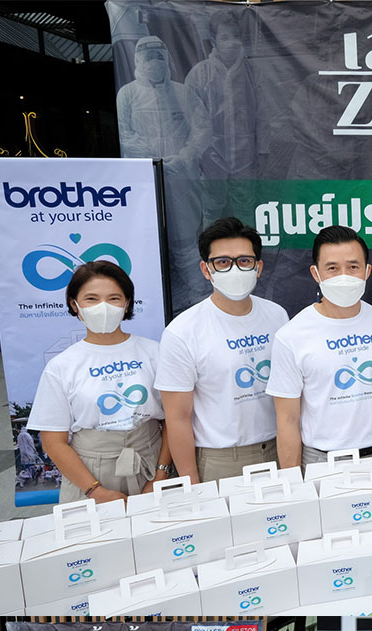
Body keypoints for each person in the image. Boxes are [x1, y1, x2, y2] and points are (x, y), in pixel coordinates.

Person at [156, 217, 288, 484]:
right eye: (223, 262)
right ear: (206, 270)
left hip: (278, 449)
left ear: (258, 267)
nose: (235, 269)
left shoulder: (277, 316)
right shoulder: (182, 332)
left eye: (245, 261)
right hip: (220, 461)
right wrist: (191, 483)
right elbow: (177, 417)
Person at [266, 226, 372, 472]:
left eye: (353, 267)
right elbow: (287, 419)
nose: (344, 276)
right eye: (332, 268)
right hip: (323, 464)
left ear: (367, 271)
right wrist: (293, 480)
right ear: (316, 273)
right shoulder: (291, 336)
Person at [27, 261, 170, 503]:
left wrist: (161, 473)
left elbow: (173, 419)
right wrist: (95, 490)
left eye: (114, 298)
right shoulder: (61, 366)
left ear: (127, 303)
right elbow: (53, 441)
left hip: (150, 463)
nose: (103, 307)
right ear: (75, 304)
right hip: (90, 474)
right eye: (91, 299)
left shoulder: (154, 352)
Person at [116, 35, 204, 305]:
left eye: (159, 56)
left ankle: (198, 292)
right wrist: (153, 159)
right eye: (148, 57)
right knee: (148, 237)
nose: (154, 62)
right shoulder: (128, 94)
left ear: (167, 59)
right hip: (143, 179)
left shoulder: (183, 93)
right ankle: (154, 297)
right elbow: (124, 134)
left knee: (186, 238)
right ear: (137, 60)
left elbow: (202, 129)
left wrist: (184, 157)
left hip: (181, 177)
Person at [184, 9, 259, 225]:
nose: (232, 43)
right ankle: (209, 246)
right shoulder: (199, 74)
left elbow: (263, 115)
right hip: (212, 154)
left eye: (236, 36)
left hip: (245, 154)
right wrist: (201, 153)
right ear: (213, 40)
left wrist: (262, 150)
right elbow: (195, 121)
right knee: (211, 206)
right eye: (224, 37)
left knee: (246, 207)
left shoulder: (252, 72)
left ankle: (248, 247)